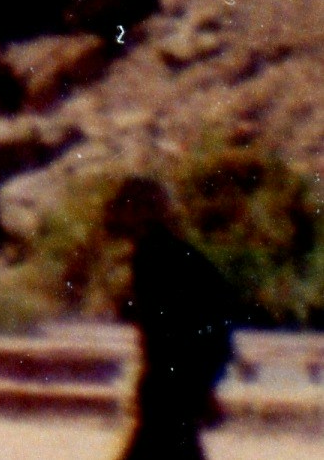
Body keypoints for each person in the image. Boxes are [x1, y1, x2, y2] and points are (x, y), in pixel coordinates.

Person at [105, 173, 240, 460]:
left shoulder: (154, 257)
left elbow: (164, 334)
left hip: (170, 391)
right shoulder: (178, 253)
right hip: (180, 387)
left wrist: (172, 384)